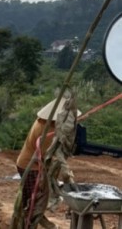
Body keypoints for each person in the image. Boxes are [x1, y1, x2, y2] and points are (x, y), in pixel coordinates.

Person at [15, 98, 80, 228]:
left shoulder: (46, 122)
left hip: (33, 164)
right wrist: (66, 174)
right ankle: (36, 224)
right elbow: (51, 158)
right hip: (31, 166)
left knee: (35, 200)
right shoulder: (46, 131)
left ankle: (42, 223)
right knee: (35, 202)